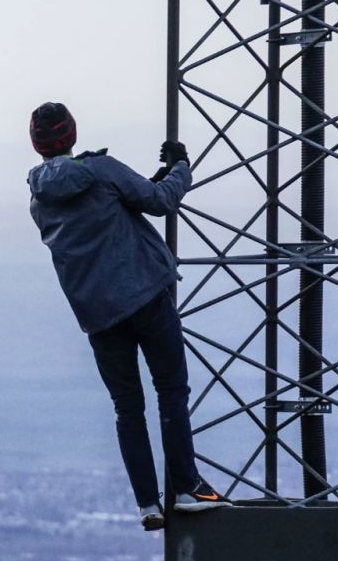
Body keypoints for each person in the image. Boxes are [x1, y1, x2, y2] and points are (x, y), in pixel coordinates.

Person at [26, 101, 231, 531]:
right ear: (73, 133)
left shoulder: (39, 200)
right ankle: (187, 487)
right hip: (146, 297)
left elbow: (104, 216)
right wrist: (181, 167)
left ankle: (147, 503)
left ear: (37, 144)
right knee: (171, 390)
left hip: (99, 317)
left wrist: (145, 183)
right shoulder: (101, 169)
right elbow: (158, 202)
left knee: (127, 407)